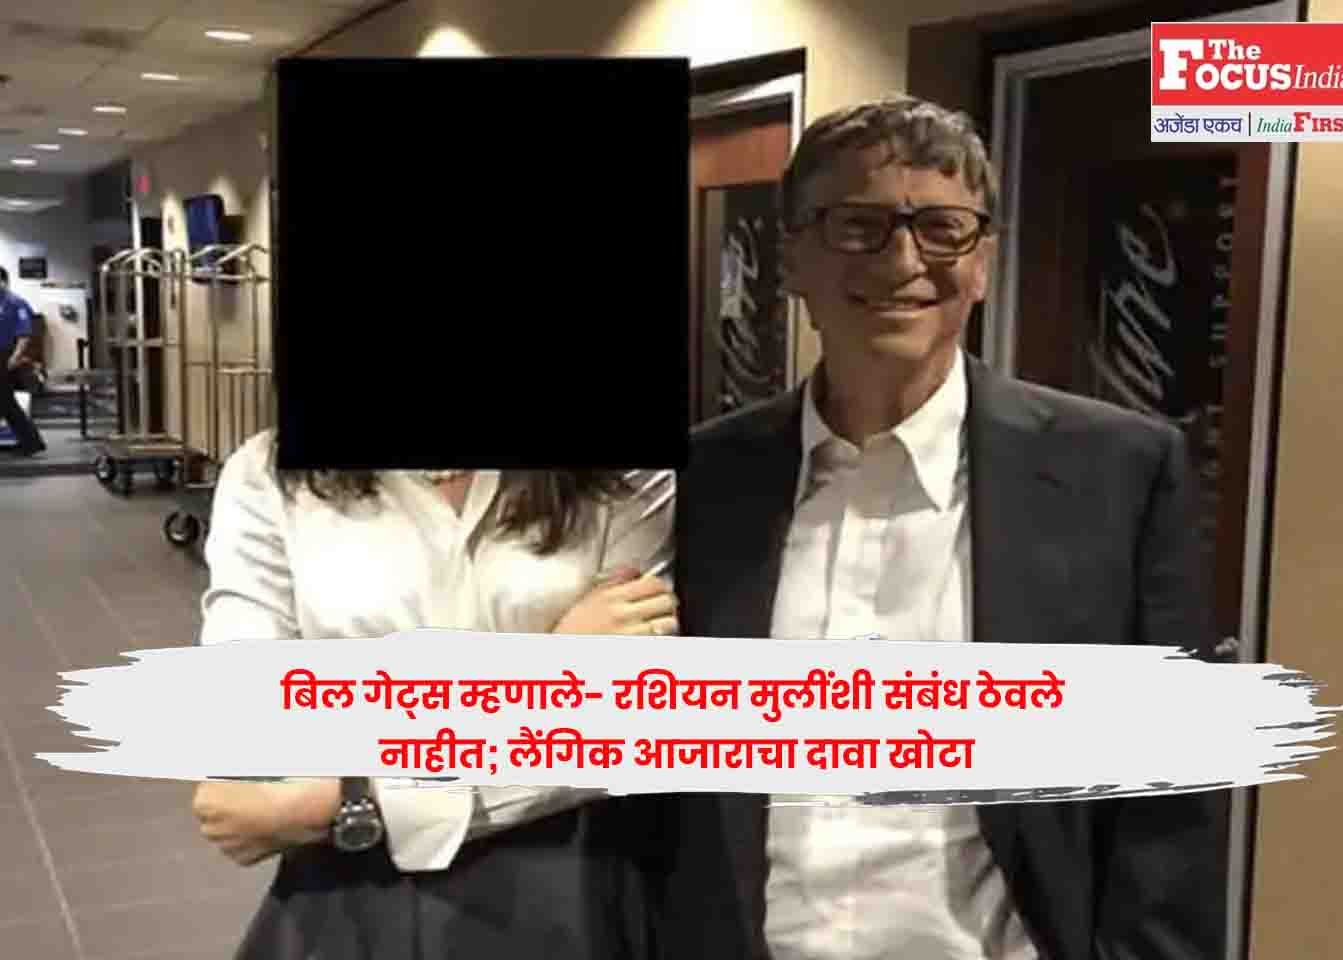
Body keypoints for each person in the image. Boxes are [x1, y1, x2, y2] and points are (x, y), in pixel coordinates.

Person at [658, 96, 1228, 959]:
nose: (903, 261)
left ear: (984, 261)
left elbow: (1169, 811)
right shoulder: (701, 483)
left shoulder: (1117, 475)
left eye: (943, 229)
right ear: (793, 258)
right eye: (859, 225)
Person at [191, 428, 676, 959]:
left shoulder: (622, 474)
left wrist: (352, 795)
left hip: (565, 887)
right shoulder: (267, 474)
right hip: (349, 896)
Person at [0, 265, 46, 455]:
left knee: (5, 401)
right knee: (5, 402)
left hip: (6, 354)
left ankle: (32, 442)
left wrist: (16, 357)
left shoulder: (15, 302)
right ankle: (31, 442)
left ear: (3, 281)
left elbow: (24, 334)